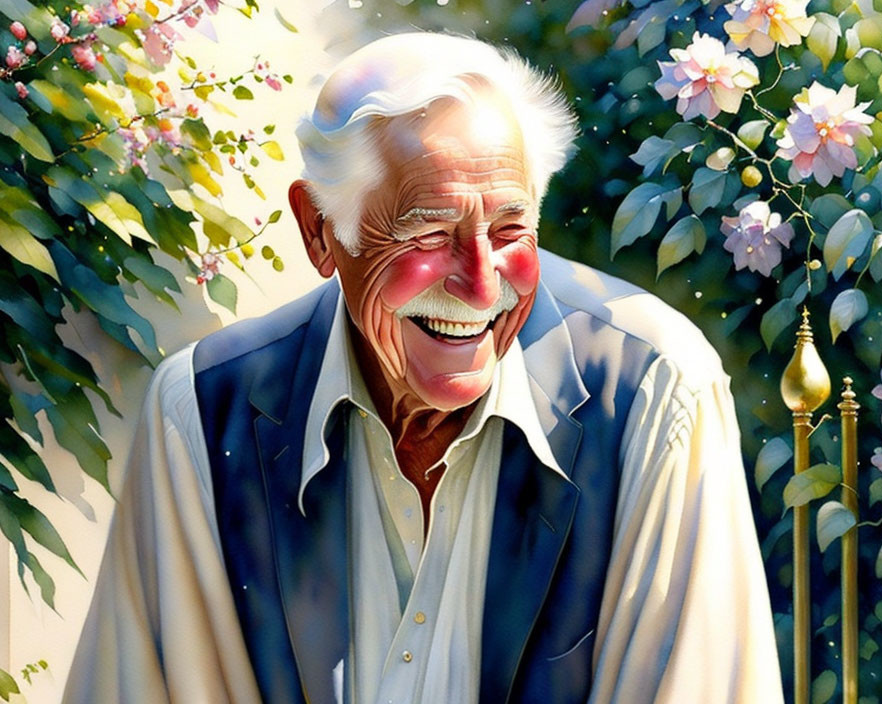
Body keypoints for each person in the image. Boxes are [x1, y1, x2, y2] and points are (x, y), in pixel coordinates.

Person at [64, 32, 784, 704]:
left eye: (509, 230)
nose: (481, 284)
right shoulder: (201, 410)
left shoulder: (656, 391)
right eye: (430, 232)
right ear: (320, 231)